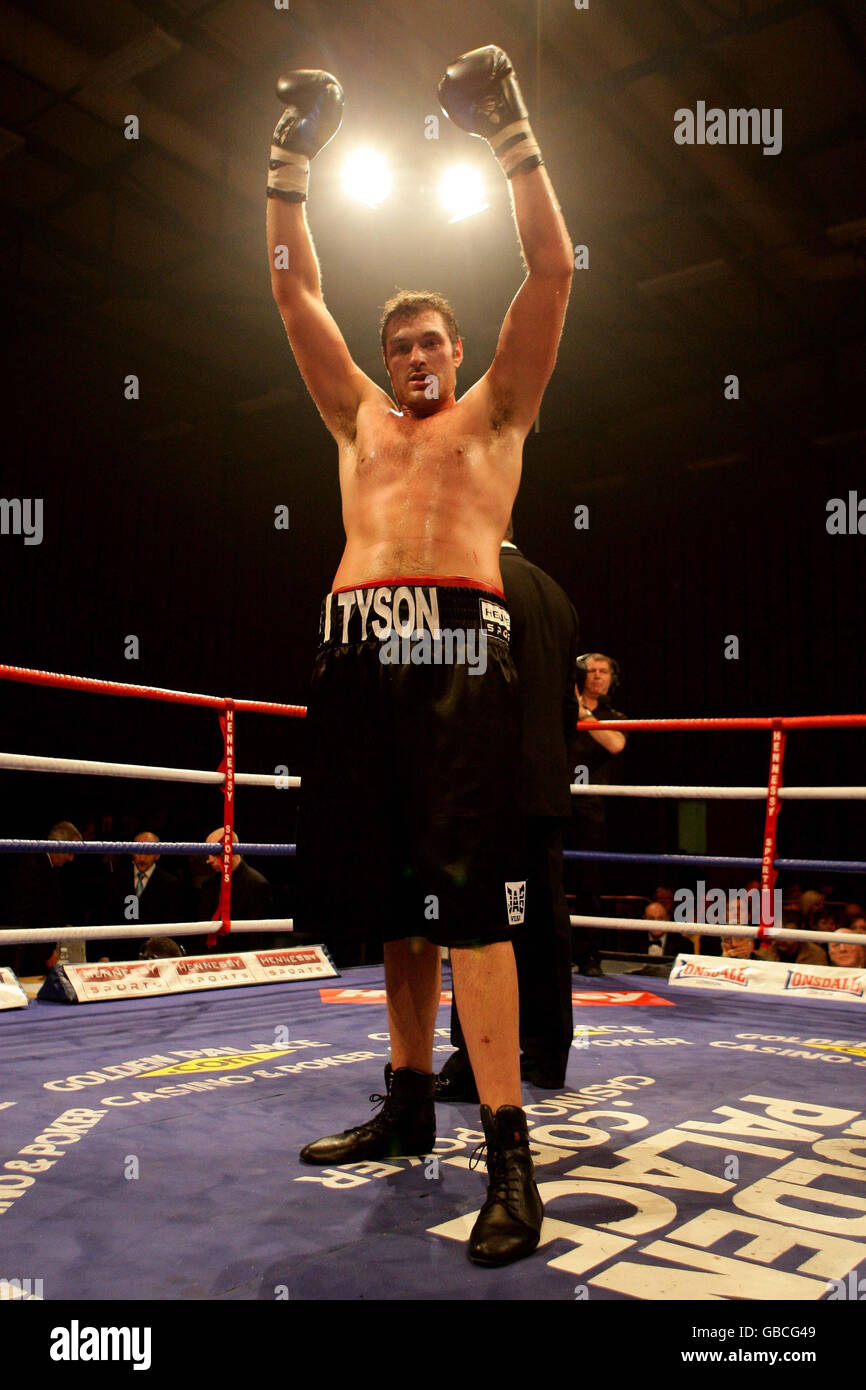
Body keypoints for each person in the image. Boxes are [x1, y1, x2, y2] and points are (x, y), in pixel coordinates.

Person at [267, 46, 573, 1265]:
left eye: (430, 339)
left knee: (476, 917)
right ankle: (404, 1105)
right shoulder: (354, 420)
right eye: (399, 344)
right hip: (355, 659)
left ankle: (506, 1148)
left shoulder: (498, 413)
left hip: (457, 655)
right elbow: (292, 296)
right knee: (393, 906)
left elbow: (550, 268)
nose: (413, 357)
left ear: (458, 348)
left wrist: (511, 132)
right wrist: (288, 163)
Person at [437, 524, 579, 1098]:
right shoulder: (555, 593)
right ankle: (549, 1054)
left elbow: (473, 691)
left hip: (493, 787)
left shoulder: (482, 583)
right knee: (543, 920)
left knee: (486, 924)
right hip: (545, 786)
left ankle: (475, 1060)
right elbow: (567, 705)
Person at [568, 652, 628, 973]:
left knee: (589, 883)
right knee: (547, 878)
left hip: (591, 807)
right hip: (558, 800)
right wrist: (572, 710)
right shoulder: (562, 710)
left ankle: (589, 954)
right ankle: (549, 951)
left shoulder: (613, 714)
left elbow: (615, 744)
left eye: (603, 671)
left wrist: (584, 715)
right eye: (591, 671)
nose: (597, 676)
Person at [4, 821, 82, 975]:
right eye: (69, 852)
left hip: (29, 948)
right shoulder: (32, 866)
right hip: (23, 950)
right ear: (57, 845)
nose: (71, 859)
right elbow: (27, 915)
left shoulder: (46, 865)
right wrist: (45, 951)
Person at [98, 832, 182, 961]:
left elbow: (171, 923)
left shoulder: (170, 883)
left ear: (157, 854)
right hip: (119, 953)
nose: (142, 857)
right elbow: (106, 917)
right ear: (132, 851)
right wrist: (103, 954)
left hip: (154, 955)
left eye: (148, 852)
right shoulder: (116, 879)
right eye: (138, 851)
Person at [197, 830, 274, 951]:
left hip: (242, 957)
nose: (209, 860)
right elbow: (202, 929)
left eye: (214, 853)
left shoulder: (256, 884)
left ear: (229, 851)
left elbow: (259, 938)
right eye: (208, 854)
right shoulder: (209, 884)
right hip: (209, 957)